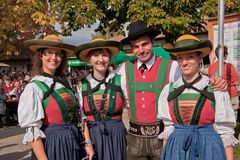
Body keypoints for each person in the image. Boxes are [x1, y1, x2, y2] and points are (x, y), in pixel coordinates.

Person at [117, 21, 228, 160]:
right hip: (135, 139)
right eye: (135, 46)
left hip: (162, 136)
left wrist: (215, 81)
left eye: (144, 44)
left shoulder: (173, 66)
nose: (141, 50)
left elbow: (191, 81)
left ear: (152, 43)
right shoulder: (123, 69)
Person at [158, 34, 238, 160]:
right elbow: (168, 129)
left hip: (209, 149)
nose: (184, 63)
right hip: (177, 150)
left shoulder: (216, 89)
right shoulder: (168, 90)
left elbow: (225, 132)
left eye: (190, 57)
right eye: (180, 58)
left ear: (199, 57)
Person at [18, 34, 94, 160]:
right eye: (49, 53)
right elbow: (33, 131)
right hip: (53, 145)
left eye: (58, 54)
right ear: (41, 56)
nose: (54, 57)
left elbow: (80, 116)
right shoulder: (34, 87)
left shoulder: (68, 83)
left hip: (73, 141)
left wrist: (88, 143)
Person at [75, 38, 127, 160]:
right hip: (93, 136)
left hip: (116, 135)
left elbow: (130, 107)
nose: (101, 59)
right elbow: (82, 118)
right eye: (96, 55)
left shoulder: (121, 80)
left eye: (104, 55)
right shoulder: (81, 85)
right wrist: (87, 143)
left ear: (109, 58)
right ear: (89, 59)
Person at [208, 45, 239, 117]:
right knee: (233, 117)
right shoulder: (229, 66)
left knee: (221, 117)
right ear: (225, 55)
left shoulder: (211, 67)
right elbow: (236, 82)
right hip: (231, 94)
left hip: (218, 96)